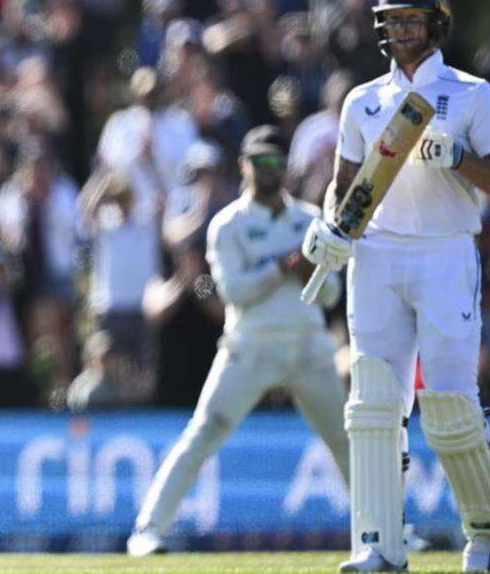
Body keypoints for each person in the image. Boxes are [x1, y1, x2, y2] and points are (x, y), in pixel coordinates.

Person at [301, 0, 490, 573]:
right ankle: (378, 546)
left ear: (436, 23)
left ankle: (488, 532)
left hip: (445, 253)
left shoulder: (471, 94)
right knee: (372, 406)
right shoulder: (361, 101)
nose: (403, 28)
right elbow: (344, 191)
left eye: (413, 18)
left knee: (449, 404)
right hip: (377, 258)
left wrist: (460, 159)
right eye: (394, 20)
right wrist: (327, 228)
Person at [127, 126, 349, 556]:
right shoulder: (228, 224)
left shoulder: (310, 219)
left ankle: (387, 531)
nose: (269, 171)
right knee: (205, 430)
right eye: (260, 162)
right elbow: (234, 292)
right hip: (250, 346)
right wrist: (285, 266)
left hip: (307, 345)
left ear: (286, 168)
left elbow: (332, 295)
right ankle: (148, 528)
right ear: (244, 166)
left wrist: (310, 272)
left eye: (276, 163)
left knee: (345, 440)